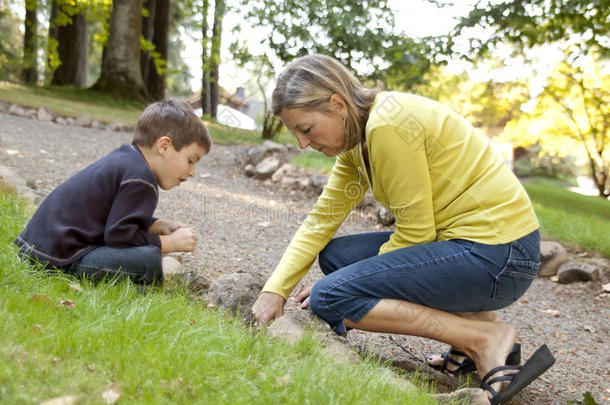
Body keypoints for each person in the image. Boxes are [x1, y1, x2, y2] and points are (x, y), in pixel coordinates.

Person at [252, 54, 554, 404]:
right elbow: (322, 219)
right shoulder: (356, 142)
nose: (304, 144)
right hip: (476, 247)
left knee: (330, 297)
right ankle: (475, 325)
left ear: (337, 104)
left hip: (500, 256)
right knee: (337, 257)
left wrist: (343, 286)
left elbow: (416, 234)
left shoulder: (387, 125)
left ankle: (482, 338)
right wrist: (276, 289)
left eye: (306, 129)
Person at [15, 99, 211, 285]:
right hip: (59, 260)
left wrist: (157, 225)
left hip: (37, 249)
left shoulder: (128, 161)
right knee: (148, 259)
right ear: (164, 146)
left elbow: (114, 218)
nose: (192, 172)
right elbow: (120, 237)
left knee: (145, 252)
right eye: (191, 161)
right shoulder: (142, 179)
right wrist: (169, 242)